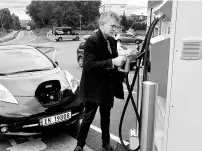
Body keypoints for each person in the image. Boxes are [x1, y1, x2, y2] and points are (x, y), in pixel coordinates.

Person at [74, 11, 126, 151]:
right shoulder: (91, 41)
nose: (115, 29)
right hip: (93, 88)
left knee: (106, 118)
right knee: (88, 118)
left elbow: (114, 63)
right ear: (102, 24)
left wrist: (121, 70)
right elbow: (89, 65)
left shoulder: (111, 41)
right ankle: (80, 145)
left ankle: (106, 143)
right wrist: (112, 62)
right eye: (112, 26)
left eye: (116, 27)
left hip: (107, 88)